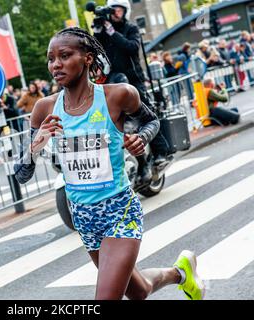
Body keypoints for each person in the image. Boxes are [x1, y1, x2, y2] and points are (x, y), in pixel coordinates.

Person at [14, 27, 205, 300]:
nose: (55, 64)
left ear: (88, 58)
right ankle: (181, 273)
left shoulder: (117, 96)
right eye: (51, 58)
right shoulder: (44, 108)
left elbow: (152, 121)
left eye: (65, 56)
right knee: (139, 291)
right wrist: (34, 147)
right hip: (83, 217)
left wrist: (141, 138)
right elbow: (21, 174)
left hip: (119, 211)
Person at [93, 0, 169, 177]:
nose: (114, 13)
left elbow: (132, 47)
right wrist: (98, 32)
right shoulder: (105, 30)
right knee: (114, 121)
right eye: (112, 10)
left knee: (146, 116)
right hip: (112, 82)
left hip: (134, 80)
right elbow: (95, 49)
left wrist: (112, 32)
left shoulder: (131, 28)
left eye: (118, 9)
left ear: (125, 11)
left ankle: (160, 152)